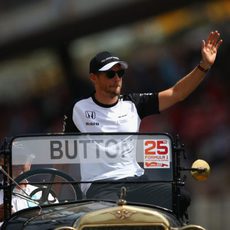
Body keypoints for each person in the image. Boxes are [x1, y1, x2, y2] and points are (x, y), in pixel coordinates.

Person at [63, 30, 222, 218]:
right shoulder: (78, 109)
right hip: (100, 186)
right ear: (93, 78)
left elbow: (177, 93)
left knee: (180, 197)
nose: (117, 78)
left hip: (136, 181)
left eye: (120, 73)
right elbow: (60, 150)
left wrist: (204, 66)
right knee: (109, 219)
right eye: (110, 74)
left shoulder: (133, 104)